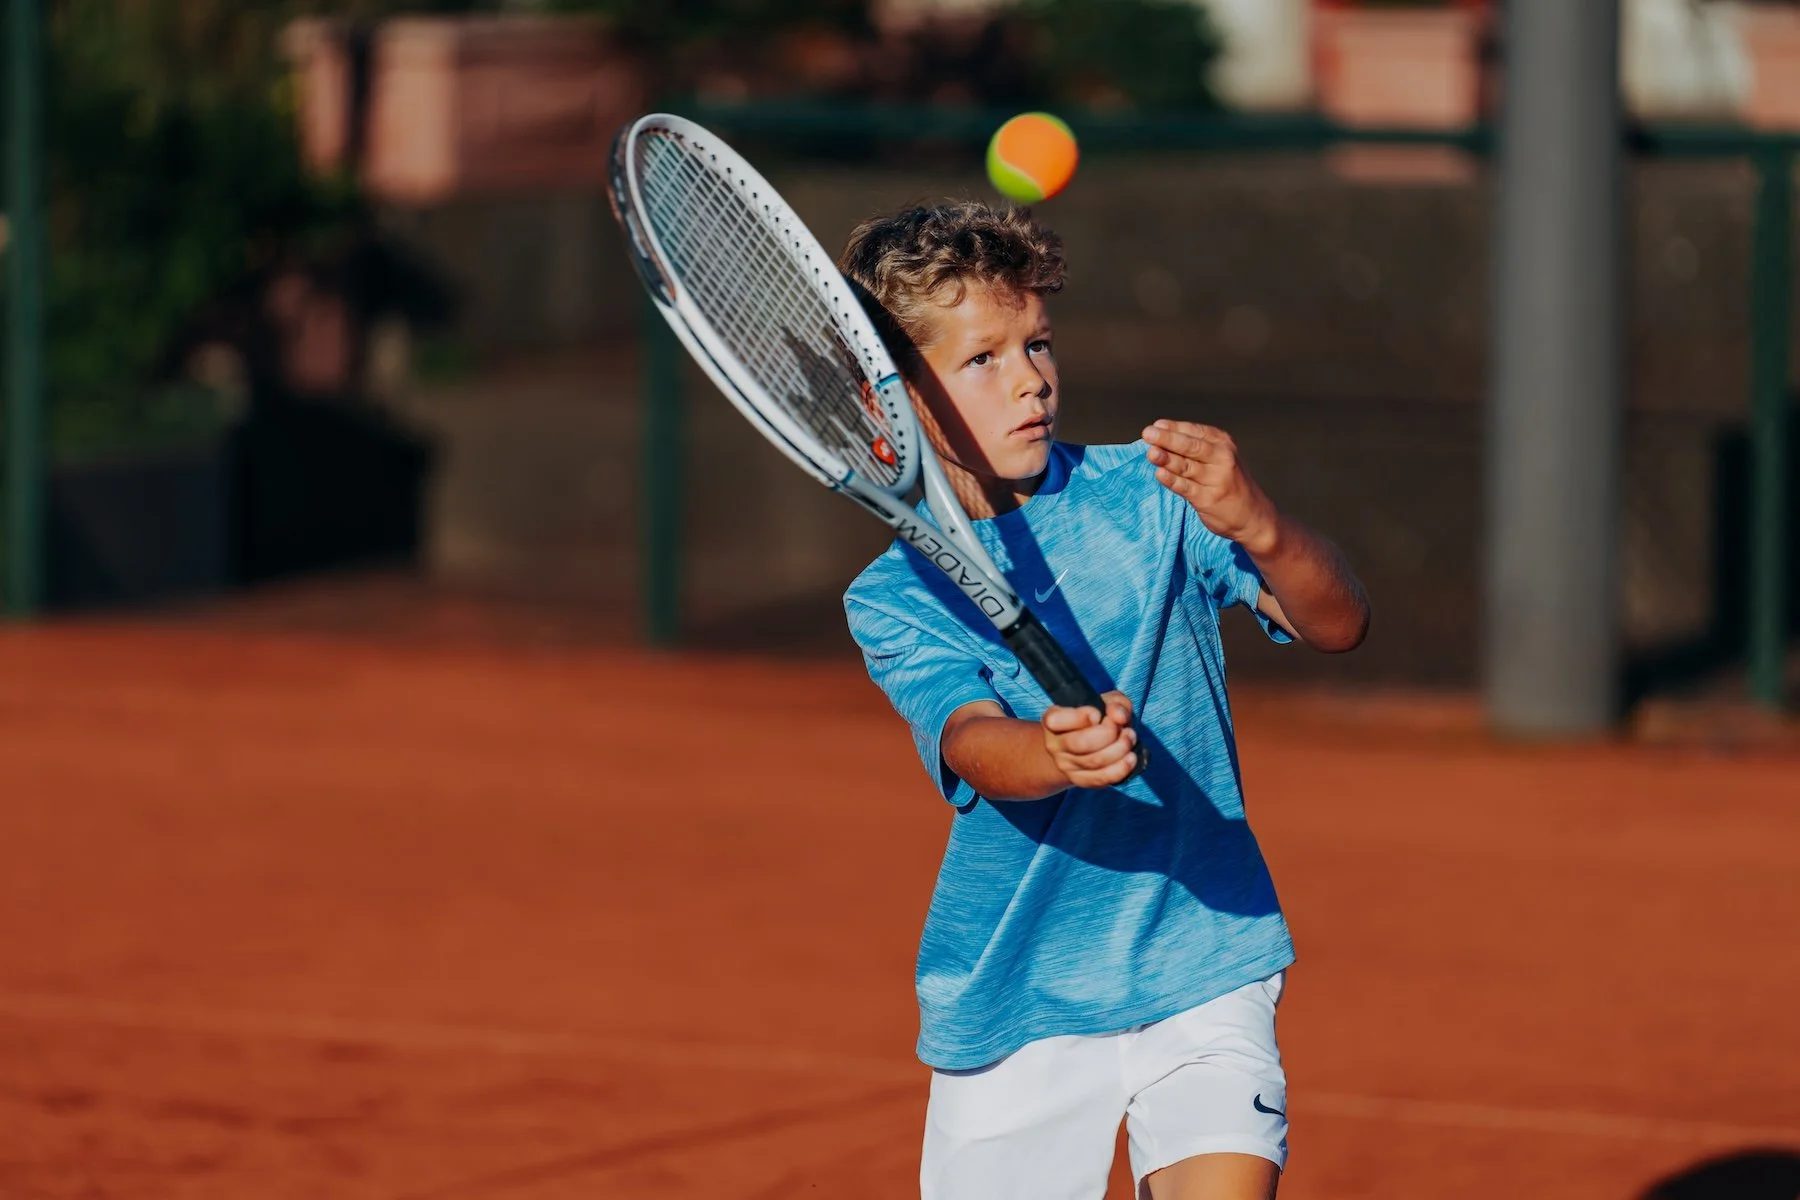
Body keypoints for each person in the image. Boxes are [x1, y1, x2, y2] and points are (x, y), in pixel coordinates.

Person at [839, 202, 1370, 1200]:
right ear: (892, 402)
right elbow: (968, 741)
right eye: (981, 359)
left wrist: (1258, 524)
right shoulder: (895, 596)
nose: (1030, 378)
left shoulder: (1156, 498)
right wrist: (1051, 754)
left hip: (1204, 957)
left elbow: (1337, 620)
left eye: (1035, 343)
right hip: (1016, 1001)